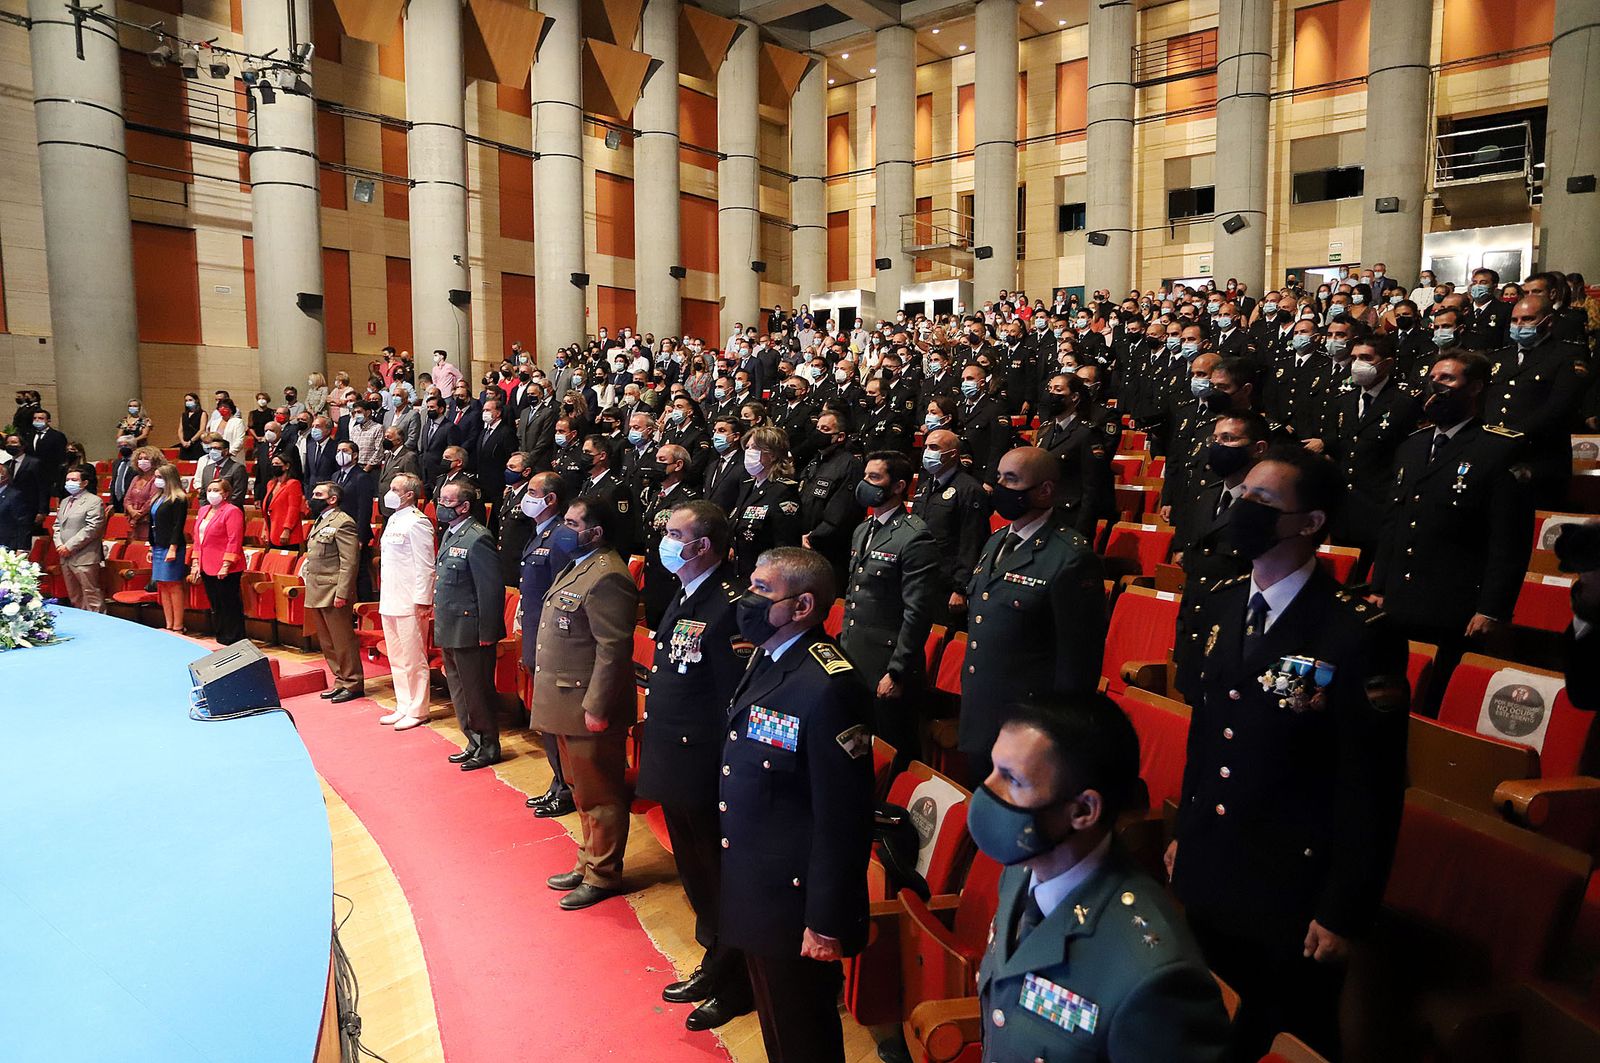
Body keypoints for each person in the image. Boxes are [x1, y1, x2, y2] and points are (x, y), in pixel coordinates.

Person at [1171, 446, 1409, 1061]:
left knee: (1282, 1035)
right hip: (1213, 859)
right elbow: (1207, 733)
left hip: (1291, 886)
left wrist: (1344, 909)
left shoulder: (1356, 630)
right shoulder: (1221, 599)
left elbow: (1372, 784)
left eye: (1264, 500)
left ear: (1311, 522)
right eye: (1243, 494)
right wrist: (1184, 831)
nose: (1242, 507)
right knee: (1205, 1027)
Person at [972, 697, 1232, 1063]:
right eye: (993, 769)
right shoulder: (1021, 871)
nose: (986, 790)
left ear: (1083, 810)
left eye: (1012, 779)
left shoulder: (1152, 976)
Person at [720, 546, 873, 1063]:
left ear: (803, 606)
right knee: (778, 1024)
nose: (748, 598)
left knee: (803, 1030)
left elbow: (843, 817)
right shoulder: (769, 655)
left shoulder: (830, 685)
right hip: (757, 881)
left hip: (795, 899)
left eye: (762, 590)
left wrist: (825, 921)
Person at [635, 501, 754, 1028]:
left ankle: (736, 980)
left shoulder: (729, 605)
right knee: (697, 873)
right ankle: (715, 959)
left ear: (703, 546)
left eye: (674, 533)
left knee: (719, 875)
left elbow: (732, 699)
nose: (665, 539)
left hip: (703, 761)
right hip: (674, 754)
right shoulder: (686, 593)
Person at [1369, 351, 1532, 708]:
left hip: (1454, 604)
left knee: (1437, 701)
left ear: (1474, 387)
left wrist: (1492, 609)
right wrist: (1378, 585)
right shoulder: (1412, 445)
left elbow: (1509, 541)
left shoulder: (1498, 448)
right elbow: (1394, 522)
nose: (1435, 386)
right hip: (1400, 598)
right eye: (1432, 378)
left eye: (1447, 379)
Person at [961, 447, 1106, 785]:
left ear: (1045, 490)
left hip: (1029, 725)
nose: (1000, 487)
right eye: (999, 477)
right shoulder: (996, 540)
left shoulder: (1070, 557)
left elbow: (1077, 663)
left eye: (1011, 480)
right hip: (982, 714)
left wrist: (1056, 733)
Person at [531, 495, 639, 910]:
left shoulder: (608, 575)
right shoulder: (580, 565)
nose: (564, 529)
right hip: (567, 703)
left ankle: (604, 873)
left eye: (573, 524)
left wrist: (597, 707)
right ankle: (588, 861)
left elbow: (613, 650)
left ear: (597, 532)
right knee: (581, 791)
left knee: (601, 795)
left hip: (587, 706)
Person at [840, 451, 943, 766]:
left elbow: (917, 612)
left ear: (898, 486)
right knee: (859, 749)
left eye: (875, 478)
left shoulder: (915, 536)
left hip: (888, 665)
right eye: (865, 476)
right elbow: (855, 595)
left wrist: (897, 670)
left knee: (894, 749)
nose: (865, 484)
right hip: (857, 656)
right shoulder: (863, 529)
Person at [516, 473, 577, 815]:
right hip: (535, 635)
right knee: (545, 719)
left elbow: (563, 596)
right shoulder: (541, 532)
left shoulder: (562, 537)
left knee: (554, 719)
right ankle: (558, 781)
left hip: (551, 640)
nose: (525, 497)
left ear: (550, 499)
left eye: (531, 492)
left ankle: (566, 788)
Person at [434, 480, 505, 768]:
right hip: (450, 626)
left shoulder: (478, 538)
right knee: (459, 691)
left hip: (471, 630)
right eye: (440, 500)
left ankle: (488, 746)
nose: (441, 506)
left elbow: (490, 590)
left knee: (477, 692)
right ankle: (472, 740)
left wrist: (487, 632)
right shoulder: (450, 533)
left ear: (464, 506)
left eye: (447, 501)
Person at [378, 473, 436, 731]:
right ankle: (403, 704)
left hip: (410, 600)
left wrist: (423, 600)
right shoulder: (393, 519)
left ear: (409, 494)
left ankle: (418, 708)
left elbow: (426, 565)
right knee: (397, 657)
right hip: (390, 597)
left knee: (414, 658)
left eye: (395, 489)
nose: (389, 493)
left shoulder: (417, 522)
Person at [298, 480, 365, 703]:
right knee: (327, 642)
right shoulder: (320, 520)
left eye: (318, 495)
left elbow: (349, 562)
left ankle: (353, 682)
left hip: (334, 590)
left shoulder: (343, 522)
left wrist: (342, 593)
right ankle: (340, 680)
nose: (312, 498)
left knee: (342, 640)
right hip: (317, 589)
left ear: (332, 499)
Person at [730, 426, 802, 579]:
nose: (749, 452)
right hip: (741, 572)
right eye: (747, 447)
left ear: (773, 455)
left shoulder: (783, 492)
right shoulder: (748, 486)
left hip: (766, 577)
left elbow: (785, 548)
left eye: (755, 448)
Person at [191, 477, 246, 645]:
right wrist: (195, 562)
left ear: (226, 493)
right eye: (209, 490)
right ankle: (221, 638)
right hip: (206, 564)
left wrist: (226, 564)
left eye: (216, 490)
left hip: (226, 566)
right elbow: (198, 539)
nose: (211, 493)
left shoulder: (232, 511)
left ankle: (235, 639)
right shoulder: (203, 510)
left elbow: (234, 539)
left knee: (228, 603)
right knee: (216, 604)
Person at [53, 465, 105, 612]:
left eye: (74, 480)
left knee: (91, 594)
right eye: (68, 480)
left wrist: (69, 546)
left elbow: (92, 528)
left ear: (85, 483)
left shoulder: (94, 501)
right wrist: (59, 545)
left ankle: (99, 621)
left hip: (84, 555)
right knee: (74, 595)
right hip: (65, 556)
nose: (70, 482)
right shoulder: (65, 501)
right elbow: (57, 526)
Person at [148, 463, 189, 632]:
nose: (156, 480)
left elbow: (178, 526)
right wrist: (151, 546)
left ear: (169, 478)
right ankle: (169, 624)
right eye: (156, 477)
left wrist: (173, 548)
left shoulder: (179, 498)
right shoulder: (157, 497)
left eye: (160, 477)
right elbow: (153, 524)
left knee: (173, 584)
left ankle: (178, 625)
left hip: (172, 546)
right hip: (158, 545)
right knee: (162, 585)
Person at [261, 455, 307, 547]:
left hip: (287, 534)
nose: (274, 466)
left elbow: (293, 509)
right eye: (273, 464)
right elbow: (267, 509)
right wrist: (265, 529)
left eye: (277, 463)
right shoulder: (271, 484)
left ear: (287, 466)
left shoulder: (293, 484)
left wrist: (287, 530)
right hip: (272, 530)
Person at [196, 435, 248, 504]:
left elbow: (238, 495)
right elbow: (203, 495)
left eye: (216, 448)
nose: (212, 451)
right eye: (211, 448)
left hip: (230, 509)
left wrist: (222, 509)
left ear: (226, 451)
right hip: (210, 509)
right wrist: (207, 508)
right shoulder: (207, 469)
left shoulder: (237, 468)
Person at [0, 459, 34, 551]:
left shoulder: (15, 495)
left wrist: (22, 548)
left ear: (5, 477)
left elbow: (23, 523)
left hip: (7, 545)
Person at [176, 393, 206, 459]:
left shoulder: (202, 413)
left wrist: (191, 441)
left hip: (196, 443)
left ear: (196, 401)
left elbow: (202, 429)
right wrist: (182, 441)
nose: (188, 402)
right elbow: (180, 429)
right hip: (185, 444)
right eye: (186, 400)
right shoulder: (184, 414)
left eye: (190, 400)